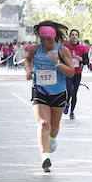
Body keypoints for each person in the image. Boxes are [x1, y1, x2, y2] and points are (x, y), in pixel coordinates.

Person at [25, 25, 76, 172]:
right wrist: (28, 71)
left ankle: (52, 139)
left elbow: (71, 73)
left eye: (48, 39)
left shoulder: (62, 50)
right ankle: (45, 157)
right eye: (42, 39)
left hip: (58, 93)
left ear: (54, 37)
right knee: (43, 124)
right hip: (39, 91)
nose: (45, 42)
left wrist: (57, 63)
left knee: (53, 129)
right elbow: (27, 60)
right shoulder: (35, 49)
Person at [63, 28, 88, 120]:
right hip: (68, 72)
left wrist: (80, 59)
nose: (74, 36)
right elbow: (61, 58)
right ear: (70, 36)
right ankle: (66, 103)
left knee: (74, 93)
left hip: (77, 73)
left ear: (78, 37)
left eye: (75, 35)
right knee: (69, 90)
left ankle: (72, 111)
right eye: (72, 35)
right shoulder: (65, 46)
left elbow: (86, 61)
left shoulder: (82, 48)